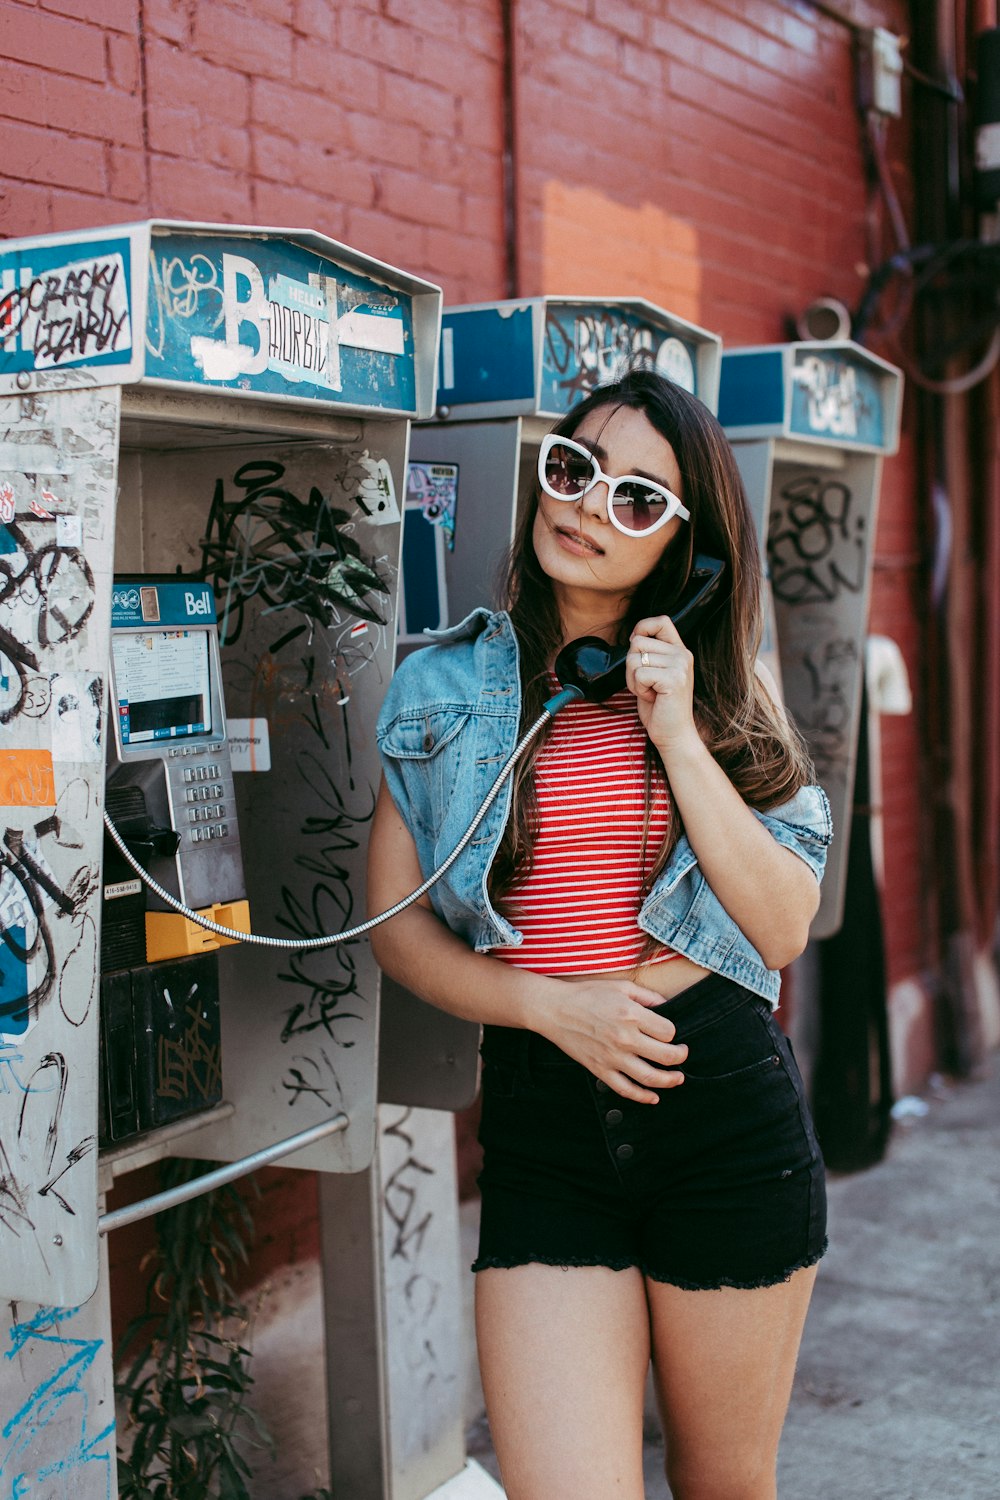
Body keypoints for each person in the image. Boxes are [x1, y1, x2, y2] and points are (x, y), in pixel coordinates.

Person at [368, 369, 832, 1500]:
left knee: (724, 1484)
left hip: (718, 1113)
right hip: (544, 1126)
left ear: (684, 545)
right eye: (573, 471)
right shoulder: (438, 689)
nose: (587, 508)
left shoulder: (726, 695)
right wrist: (545, 1003)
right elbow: (396, 929)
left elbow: (780, 924)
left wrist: (675, 730)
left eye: (637, 499)